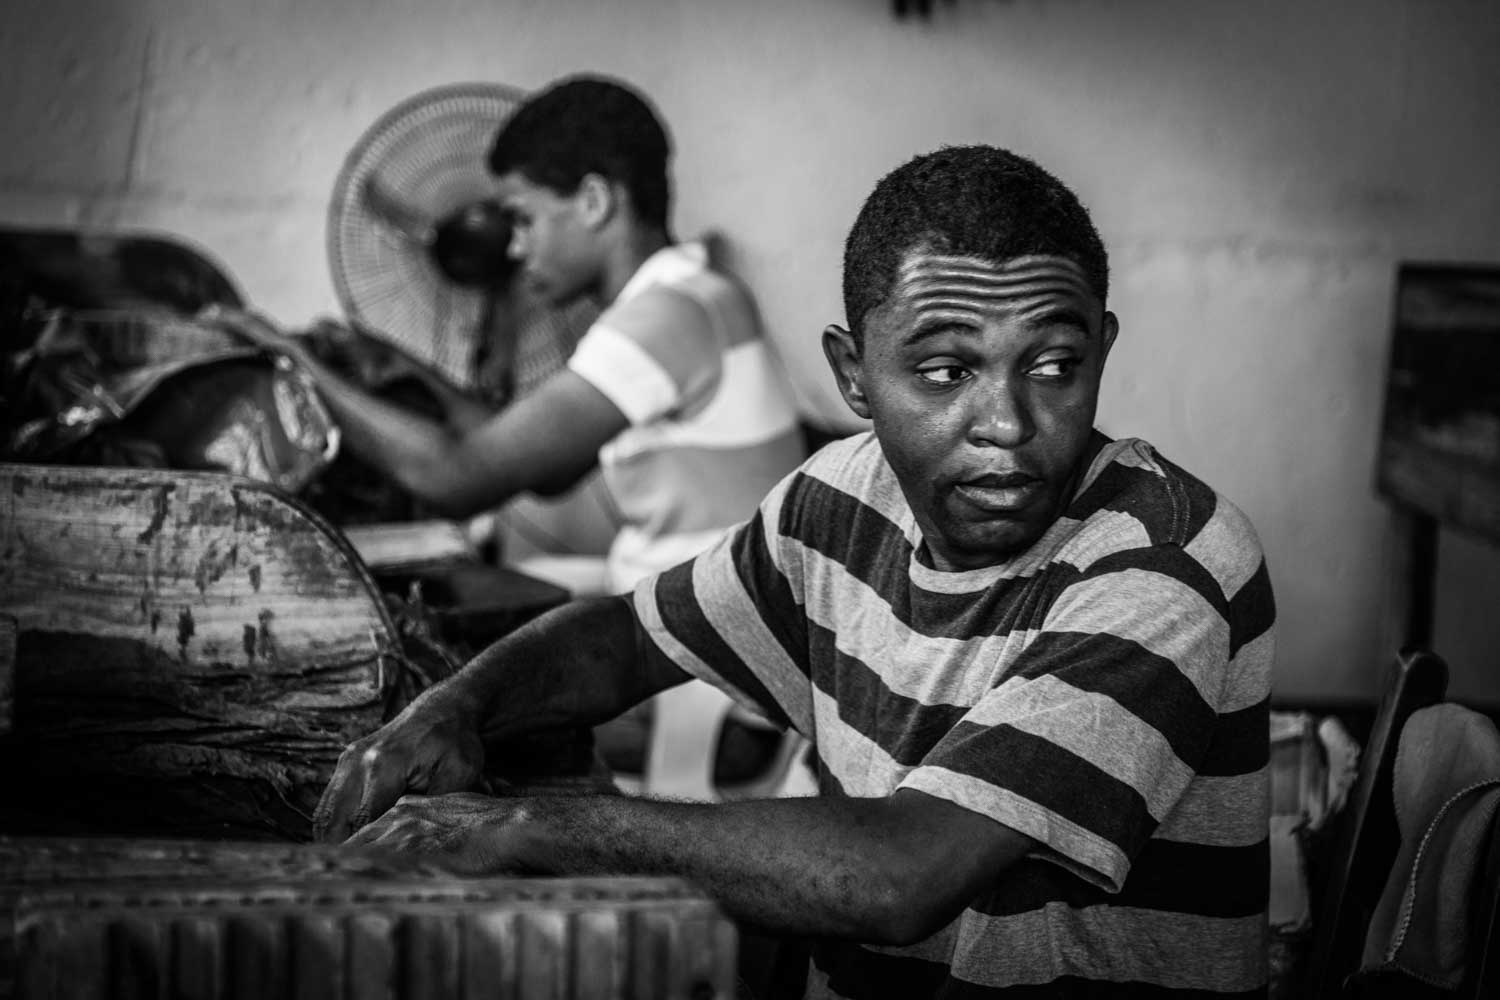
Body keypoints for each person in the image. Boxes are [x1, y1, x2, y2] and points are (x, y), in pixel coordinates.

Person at [320, 145, 1277, 998]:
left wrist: (519, 829)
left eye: (1055, 365)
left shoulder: (1165, 561)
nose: (1007, 426)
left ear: (1103, 351)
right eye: (946, 372)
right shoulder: (843, 499)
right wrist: (456, 707)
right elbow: (629, 635)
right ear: (853, 376)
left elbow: (898, 877)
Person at [215, 74, 806, 596]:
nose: (515, 248)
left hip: (711, 633)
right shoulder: (700, 291)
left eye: (523, 218)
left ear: (595, 201)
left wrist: (290, 357)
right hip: (710, 599)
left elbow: (458, 479)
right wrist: (404, 366)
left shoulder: (661, 319)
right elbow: (548, 469)